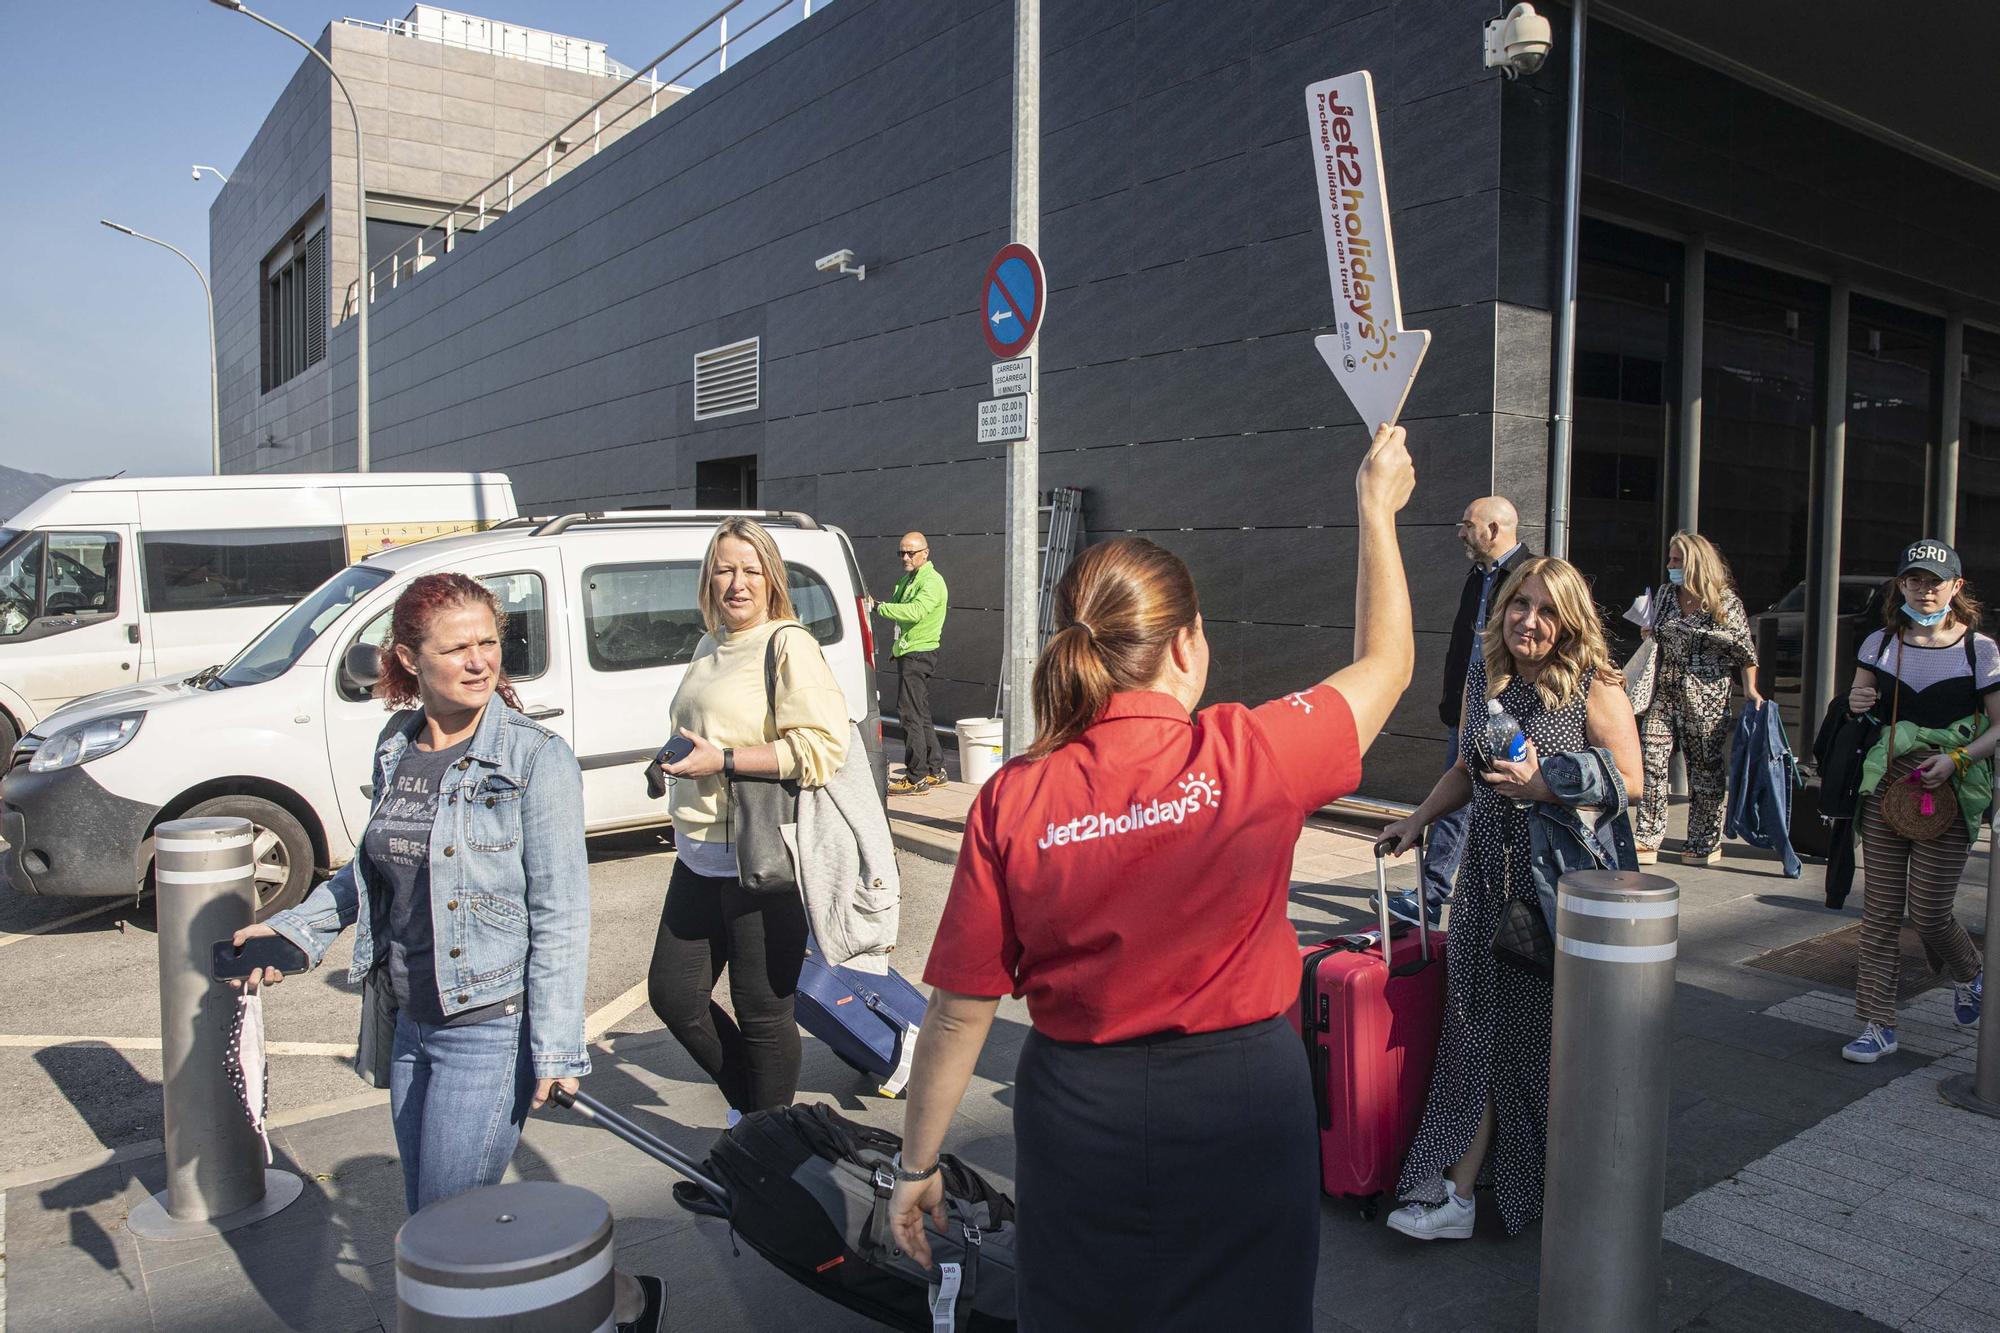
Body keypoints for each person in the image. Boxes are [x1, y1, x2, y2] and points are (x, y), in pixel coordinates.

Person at [887, 423, 1417, 1331]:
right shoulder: (1254, 749)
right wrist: (1376, 509)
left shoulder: (1014, 796)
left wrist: (916, 1165)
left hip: (1078, 1116)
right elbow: (1388, 665)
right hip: (1245, 1104)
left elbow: (959, 1010)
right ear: (1184, 646)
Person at [233, 573, 661, 1328]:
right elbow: (370, 871)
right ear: (409, 657)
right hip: (407, 1019)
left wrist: (557, 1046)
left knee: (440, 1232)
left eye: (489, 642)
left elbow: (561, 910)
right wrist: (292, 931)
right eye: (456, 646)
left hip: (488, 1025)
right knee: (436, 1217)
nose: (479, 660)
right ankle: (622, 1296)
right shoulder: (396, 745)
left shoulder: (533, 758)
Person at [1377, 555, 1643, 1241]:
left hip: (1548, 895)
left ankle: (1549, 1188)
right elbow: (1467, 766)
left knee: (1532, 1044)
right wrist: (1418, 819)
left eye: (1546, 609)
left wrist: (1544, 784)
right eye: (1520, 604)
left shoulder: (1594, 682)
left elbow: (1632, 779)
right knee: (1471, 1032)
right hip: (1481, 887)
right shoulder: (1484, 673)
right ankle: (1458, 1195)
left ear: (1570, 619)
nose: (1528, 619)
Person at [649, 517, 849, 1116]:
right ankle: (758, 1124)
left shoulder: (789, 644)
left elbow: (821, 750)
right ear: (708, 578)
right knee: (676, 996)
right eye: (725, 569)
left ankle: (767, 1148)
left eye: (751, 570)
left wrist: (726, 759)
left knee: (762, 1013)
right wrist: (678, 754)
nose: (737, 583)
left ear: (772, 578)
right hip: (699, 852)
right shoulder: (709, 645)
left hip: (763, 855)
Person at [1838, 538, 1992, 1063]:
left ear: (1956, 586)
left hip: (1951, 787)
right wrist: (1857, 702)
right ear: (1899, 585)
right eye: (1913, 579)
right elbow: (1859, 707)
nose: (1924, 589)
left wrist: (1958, 760)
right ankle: (1877, 1023)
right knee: (1880, 913)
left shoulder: (1981, 650)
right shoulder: (1879, 644)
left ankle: (1972, 975)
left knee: (1929, 912)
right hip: (1887, 788)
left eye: (1934, 580)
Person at [1391, 496, 1531, 929]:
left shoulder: (1529, 576)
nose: (1460, 533)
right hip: (1469, 704)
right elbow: (1465, 646)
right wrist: (1454, 700)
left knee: (1476, 799)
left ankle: (1434, 894)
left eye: (1467, 525)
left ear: (1493, 529)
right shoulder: (1478, 575)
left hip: (1508, 711)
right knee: (1460, 792)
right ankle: (1435, 893)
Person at [1633, 531, 1761, 865]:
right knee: (1651, 760)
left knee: (1703, 768)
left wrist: (1750, 689)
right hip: (1665, 690)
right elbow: (1657, 635)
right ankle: (1647, 835)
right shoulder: (1665, 595)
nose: (1670, 565)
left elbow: (1745, 649)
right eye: (1670, 559)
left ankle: (1704, 840)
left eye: (1677, 560)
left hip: (1705, 695)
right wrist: (1648, 632)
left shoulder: (1723, 601)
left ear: (1695, 563)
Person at [872, 531, 949, 793]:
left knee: (909, 715)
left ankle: (916, 777)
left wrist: (877, 607)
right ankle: (934, 769)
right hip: (911, 652)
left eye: (911, 553)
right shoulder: (908, 579)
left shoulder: (932, 582)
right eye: (901, 552)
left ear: (925, 553)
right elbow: (898, 611)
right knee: (921, 713)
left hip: (919, 654)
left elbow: (914, 612)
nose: (905, 557)